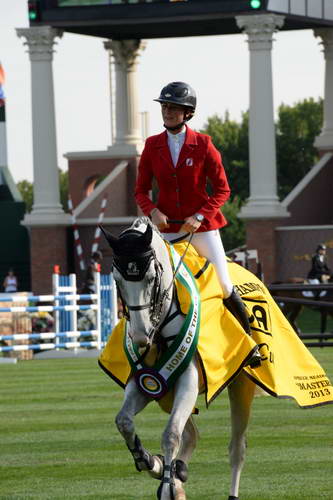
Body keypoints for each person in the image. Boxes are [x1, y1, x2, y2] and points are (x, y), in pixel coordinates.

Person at [135, 81, 260, 366]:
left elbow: (223, 190)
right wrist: (152, 210)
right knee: (153, 286)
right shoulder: (152, 145)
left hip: (201, 228)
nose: (167, 111)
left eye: (173, 107)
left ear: (187, 113)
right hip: (166, 229)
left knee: (224, 283)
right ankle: (145, 346)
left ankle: (250, 345)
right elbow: (140, 190)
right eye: (164, 106)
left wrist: (200, 215)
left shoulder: (203, 144)